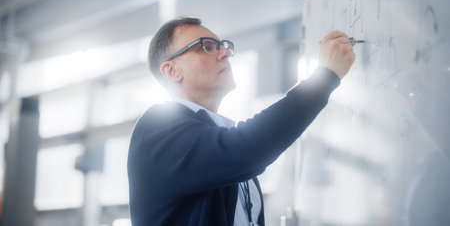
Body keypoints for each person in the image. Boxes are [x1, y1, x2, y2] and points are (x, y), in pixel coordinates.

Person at [127, 17, 355, 226]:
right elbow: (246, 149)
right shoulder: (156, 129)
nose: (225, 52)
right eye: (206, 46)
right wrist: (324, 77)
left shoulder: (214, 133)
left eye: (223, 45)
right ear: (171, 70)